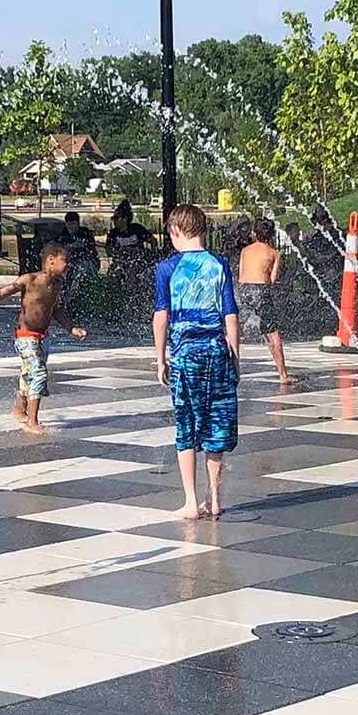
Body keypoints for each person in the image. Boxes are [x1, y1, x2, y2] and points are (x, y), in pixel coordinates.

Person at [153, 203, 241, 520]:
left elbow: (161, 316)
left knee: (187, 424)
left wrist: (160, 359)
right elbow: (231, 315)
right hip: (217, 351)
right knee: (216, 421)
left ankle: (191, 501)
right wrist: (235, 358)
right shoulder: (219, 264)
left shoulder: (167, 268)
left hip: (184, 355)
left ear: (176, 231)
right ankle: (213, 498)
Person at [0, 242, 87, 434]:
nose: (68, 265)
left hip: (43, 337)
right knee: (38, 374)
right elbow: (2, 292)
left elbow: (54, 309)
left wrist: (71, 328)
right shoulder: (30, 280)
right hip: (25, 336)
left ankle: (19, 410)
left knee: (28, 374)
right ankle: (32, 422)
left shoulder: (57, 284)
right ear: (51, 261)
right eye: (65, 261)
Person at [238, 217, 293, 385]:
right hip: (261, 291)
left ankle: (228, 371)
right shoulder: (274, 253)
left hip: (243, 289)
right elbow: (273, 279)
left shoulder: (245, 251)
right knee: (272, 333)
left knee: (236, 329)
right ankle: (283, 375)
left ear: (254, 233)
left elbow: (241, 273)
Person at [56, 211, 100, 314]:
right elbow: (57, 247)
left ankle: (71, 299)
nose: (71, 227)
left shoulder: (86, 233)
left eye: (74, 223)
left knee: (80, 272)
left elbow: (90, 248)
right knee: (63, 273)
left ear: (78, 223)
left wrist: (74, 246)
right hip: (71, 264)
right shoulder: (63, 235)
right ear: (66, 224)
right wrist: (70, 246)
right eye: (69, 224)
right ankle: (62, 300)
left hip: (88, 262)